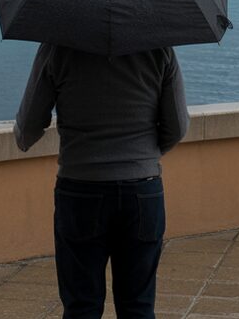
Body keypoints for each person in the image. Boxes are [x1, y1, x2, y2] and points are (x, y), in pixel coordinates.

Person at [15, 43, 188, 319]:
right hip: (142, 192)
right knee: (139, 306)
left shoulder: (57, 47)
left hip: (80, 191)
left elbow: (27, 130)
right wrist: (143, 156)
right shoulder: (159, 49)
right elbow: (178, 125)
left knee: (81, 306)